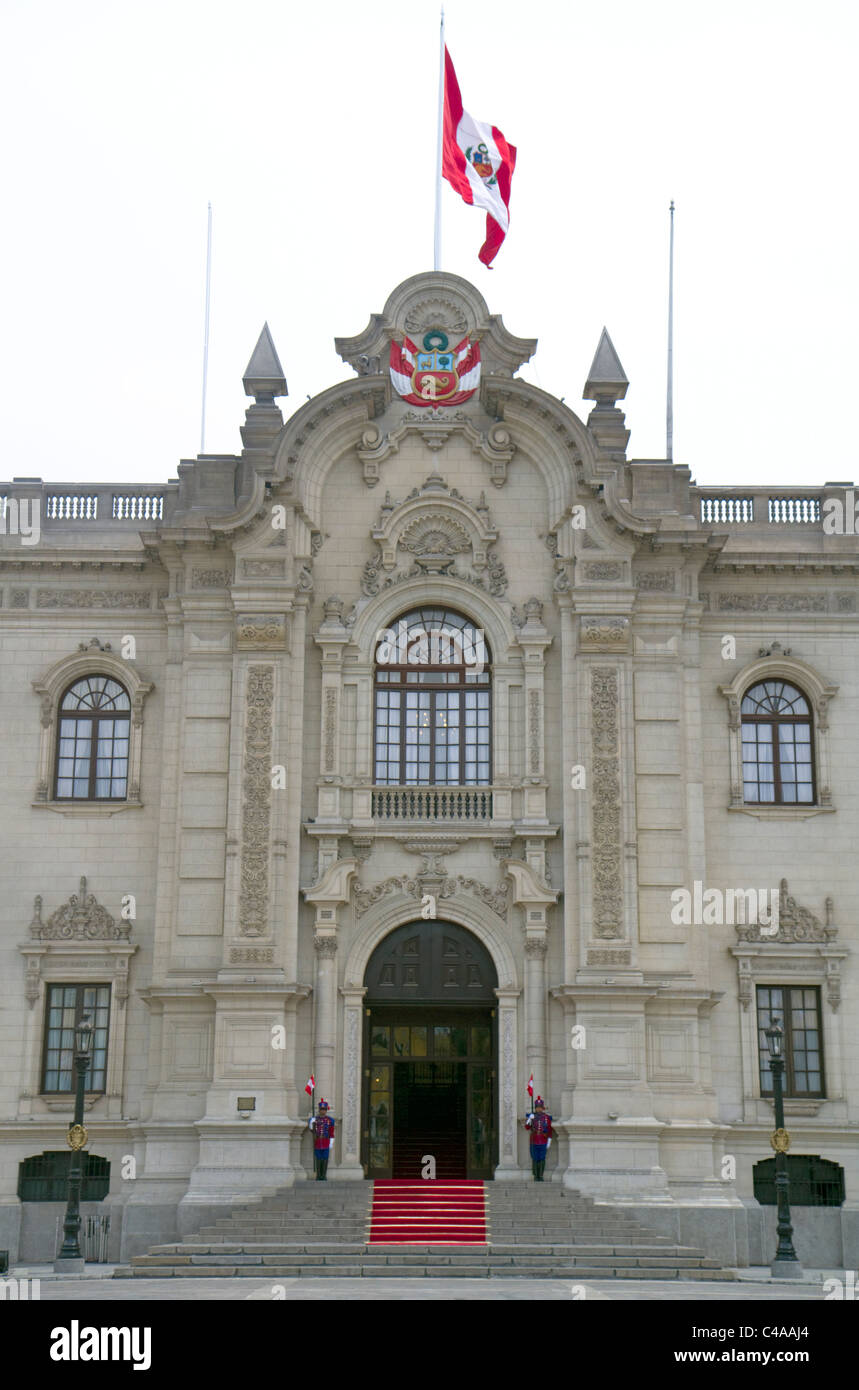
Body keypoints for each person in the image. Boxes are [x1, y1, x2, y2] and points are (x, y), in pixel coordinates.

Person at [524, 1096, 553, 1181]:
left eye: (540, 1107)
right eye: (537, 1107)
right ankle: (536, 1176)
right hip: (534, 1140)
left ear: (542, 1108)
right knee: (535, 1158)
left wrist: (549, 1141)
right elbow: (526, 1127)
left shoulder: (546, 1117)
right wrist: (529, 1119)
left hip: (543, 1140)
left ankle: (540, 1176)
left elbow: (550, 1130)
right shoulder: (532, 1116)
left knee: (542, 1158)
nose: (538, 1109)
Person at [309, 1099, 335, 1181]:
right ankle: (318, 1176)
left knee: (325, 1158)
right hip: (317, 1141)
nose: (323, 1111)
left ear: (326, 1110)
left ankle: (323, 1176)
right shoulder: (314, 1120)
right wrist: (311, 1122)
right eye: (321, 1109)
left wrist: (331, 1143)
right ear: (319, 1110)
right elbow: (311, 1129)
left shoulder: (330, 1120)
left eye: (324, 1109)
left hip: (326, 1141)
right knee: (318, 1158)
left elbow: (331, 1132)